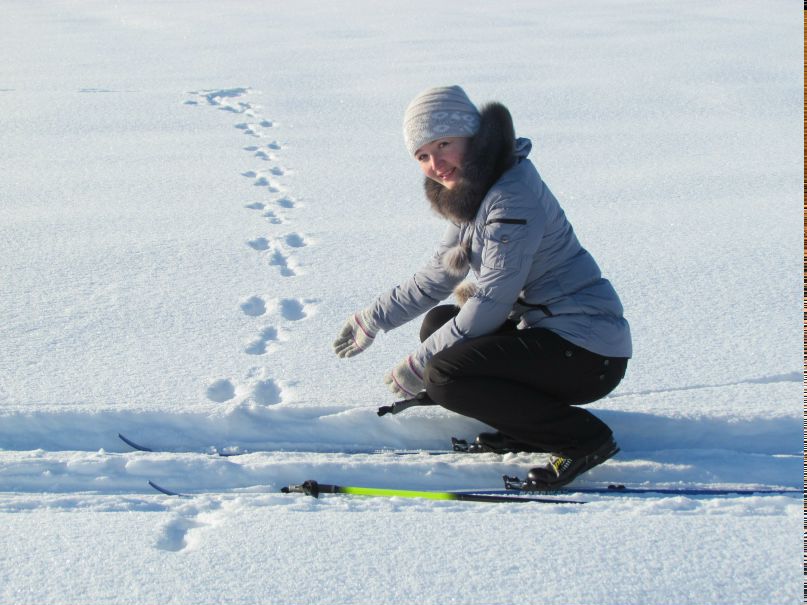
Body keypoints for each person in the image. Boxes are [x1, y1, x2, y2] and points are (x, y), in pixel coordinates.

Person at [332, 85, 632, 490]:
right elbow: (438, 275)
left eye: (444, 144)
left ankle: (582, 439)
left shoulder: (511, 198)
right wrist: (372, 318)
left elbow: (491, 299)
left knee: (445, 374)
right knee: (439, 324)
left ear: (473, 138)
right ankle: (525, 427)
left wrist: (420, 365)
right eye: (422, 155)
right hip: (549, 334)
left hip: (588, 353)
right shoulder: (474, 191)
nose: (436, 164)